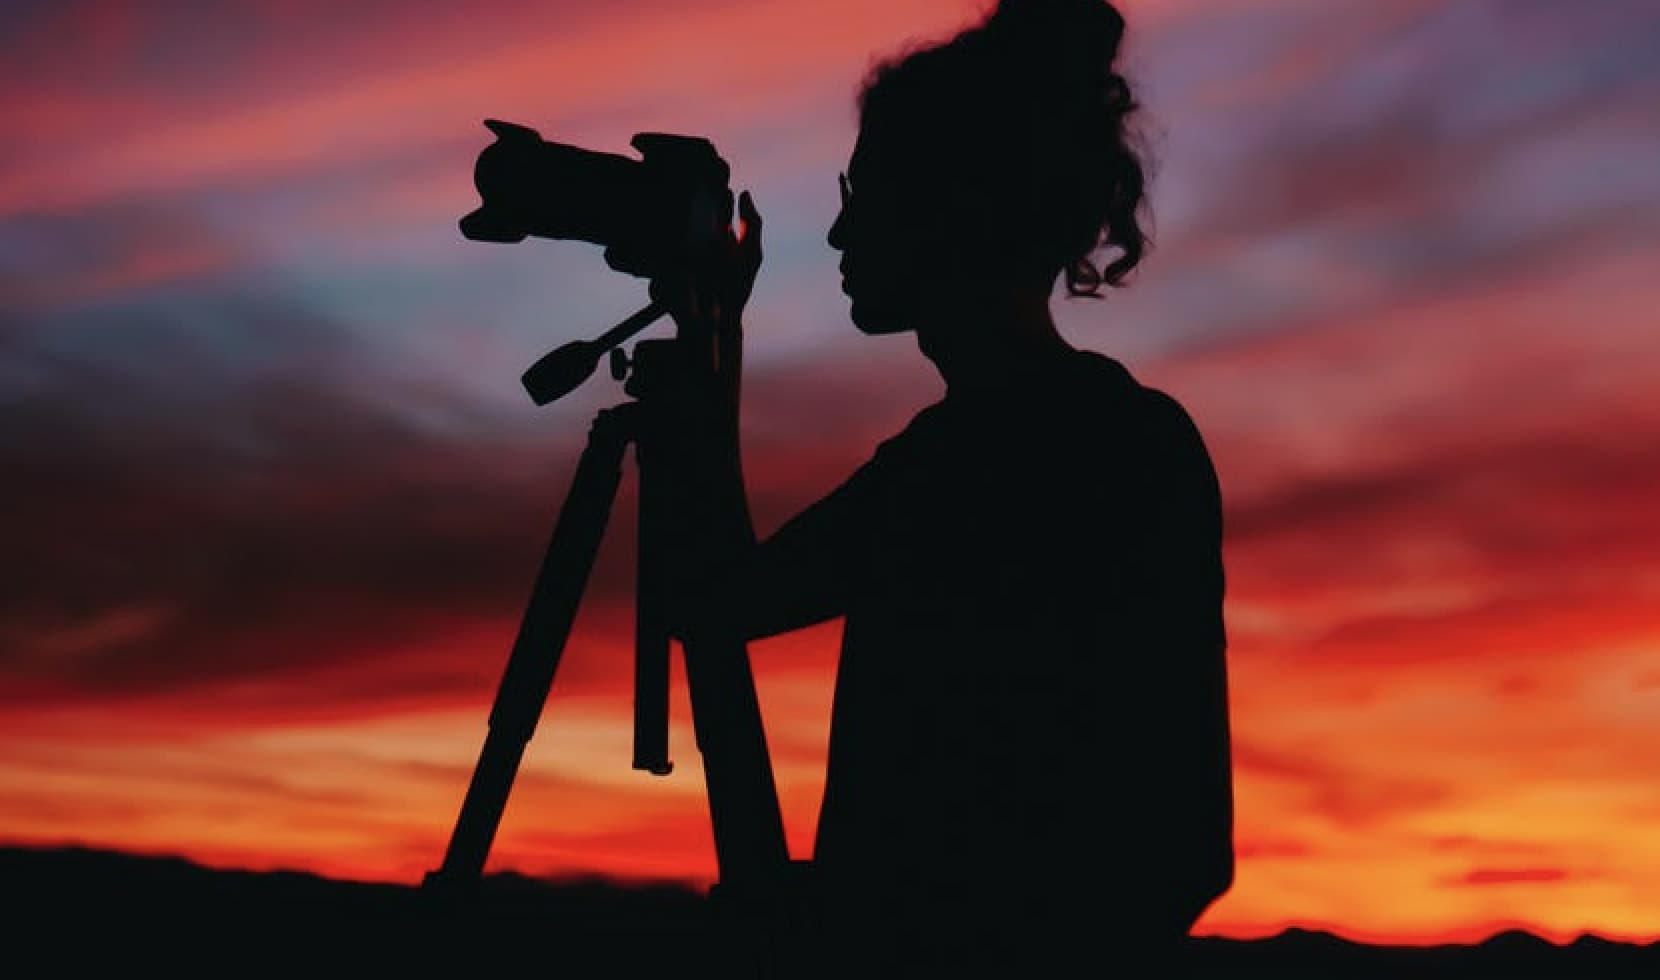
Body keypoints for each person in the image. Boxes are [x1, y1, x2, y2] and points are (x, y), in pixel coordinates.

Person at [655, 0, 1233, 974]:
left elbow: (711, 600)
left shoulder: (960, 467)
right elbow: (1180, 853)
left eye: (864, 190)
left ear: (952, 205)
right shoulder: (1131, 440)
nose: (836, 229)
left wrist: (713, 329)